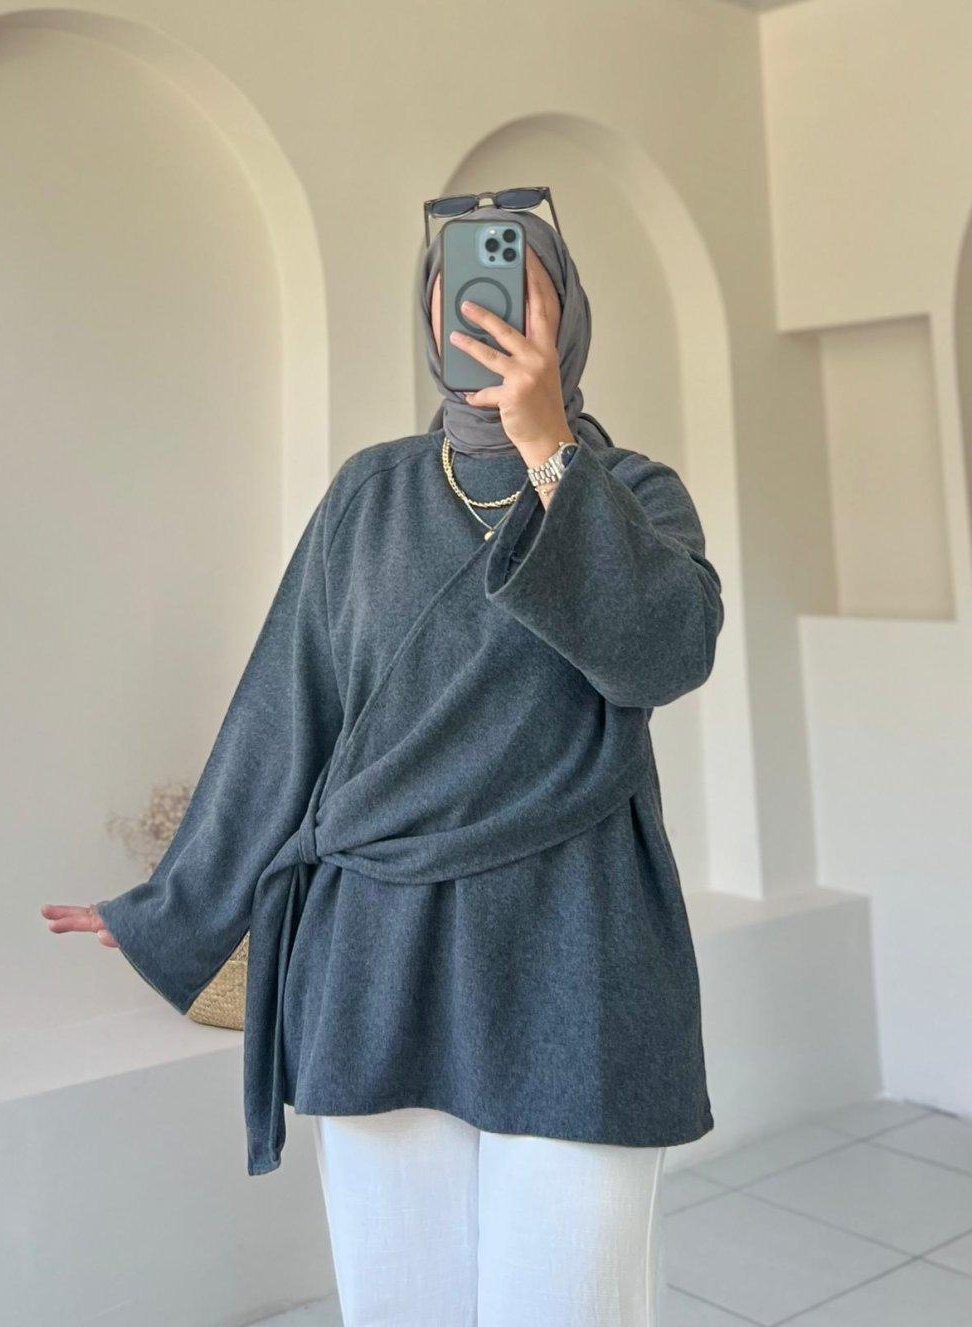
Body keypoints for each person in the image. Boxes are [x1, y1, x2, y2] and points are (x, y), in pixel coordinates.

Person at [43, 198, 724, 1325]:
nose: (483, 304)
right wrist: (174, 906)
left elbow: (667, 653)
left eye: (516, 281)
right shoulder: (369, 496)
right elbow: (284, 713)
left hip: (576, 941)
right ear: (428, 312)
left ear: (565, 314)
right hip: (378, 953)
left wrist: (550, 446)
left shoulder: (637, 494)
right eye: (457, 282)